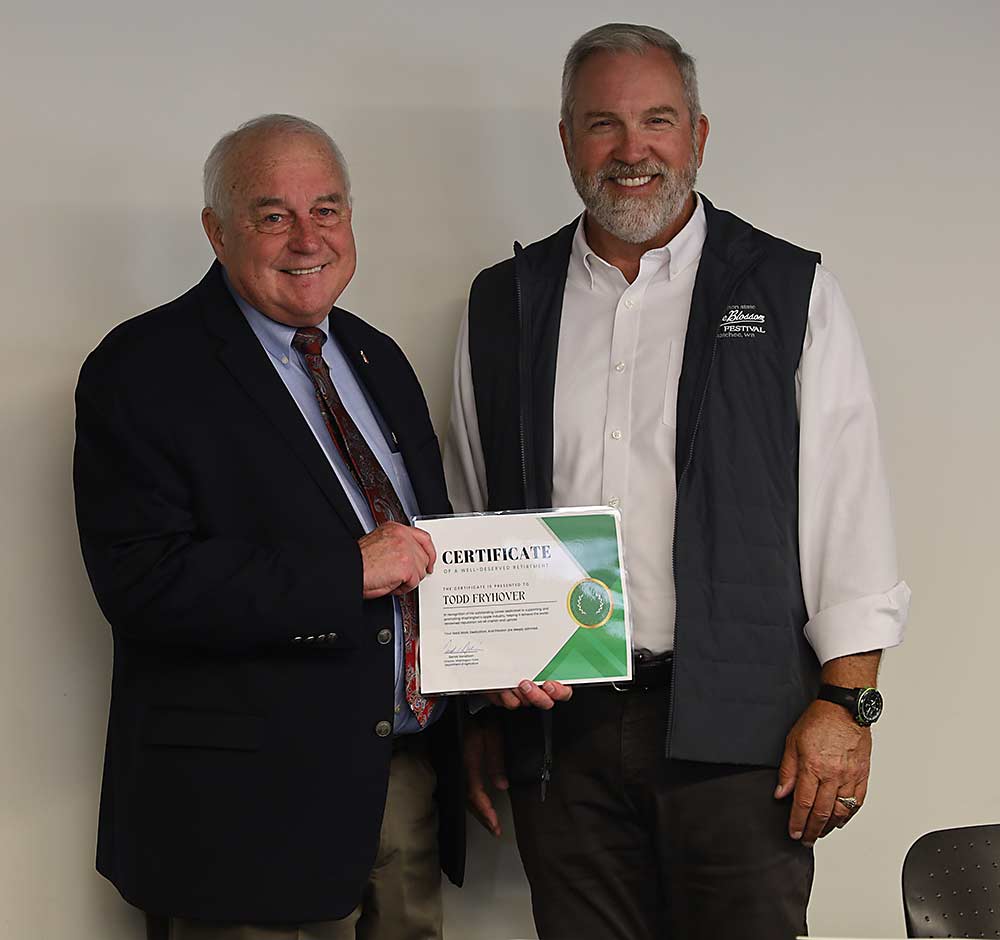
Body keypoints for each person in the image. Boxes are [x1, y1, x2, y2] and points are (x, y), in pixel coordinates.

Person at [445, 23, 910, 940]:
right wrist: (478, 704)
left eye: (657, 120)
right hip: (561, 741)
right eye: (602, 124)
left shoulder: (789, 288)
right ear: (568, 141)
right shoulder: (502, 303)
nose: (632, 150)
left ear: (698, 136)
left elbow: (847, 509)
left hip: (742, 735)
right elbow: (474, 511)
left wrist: (846, 704)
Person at [74, 114, 464, 940]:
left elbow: (430, 555)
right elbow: (143, 584)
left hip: (402, 784)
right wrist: (344, 571)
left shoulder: (376, 357)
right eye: (272, 215)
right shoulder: (142, 368)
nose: (305, 238)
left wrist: (500, 658)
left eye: (326, 209)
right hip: (245, 817)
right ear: (217, 231)